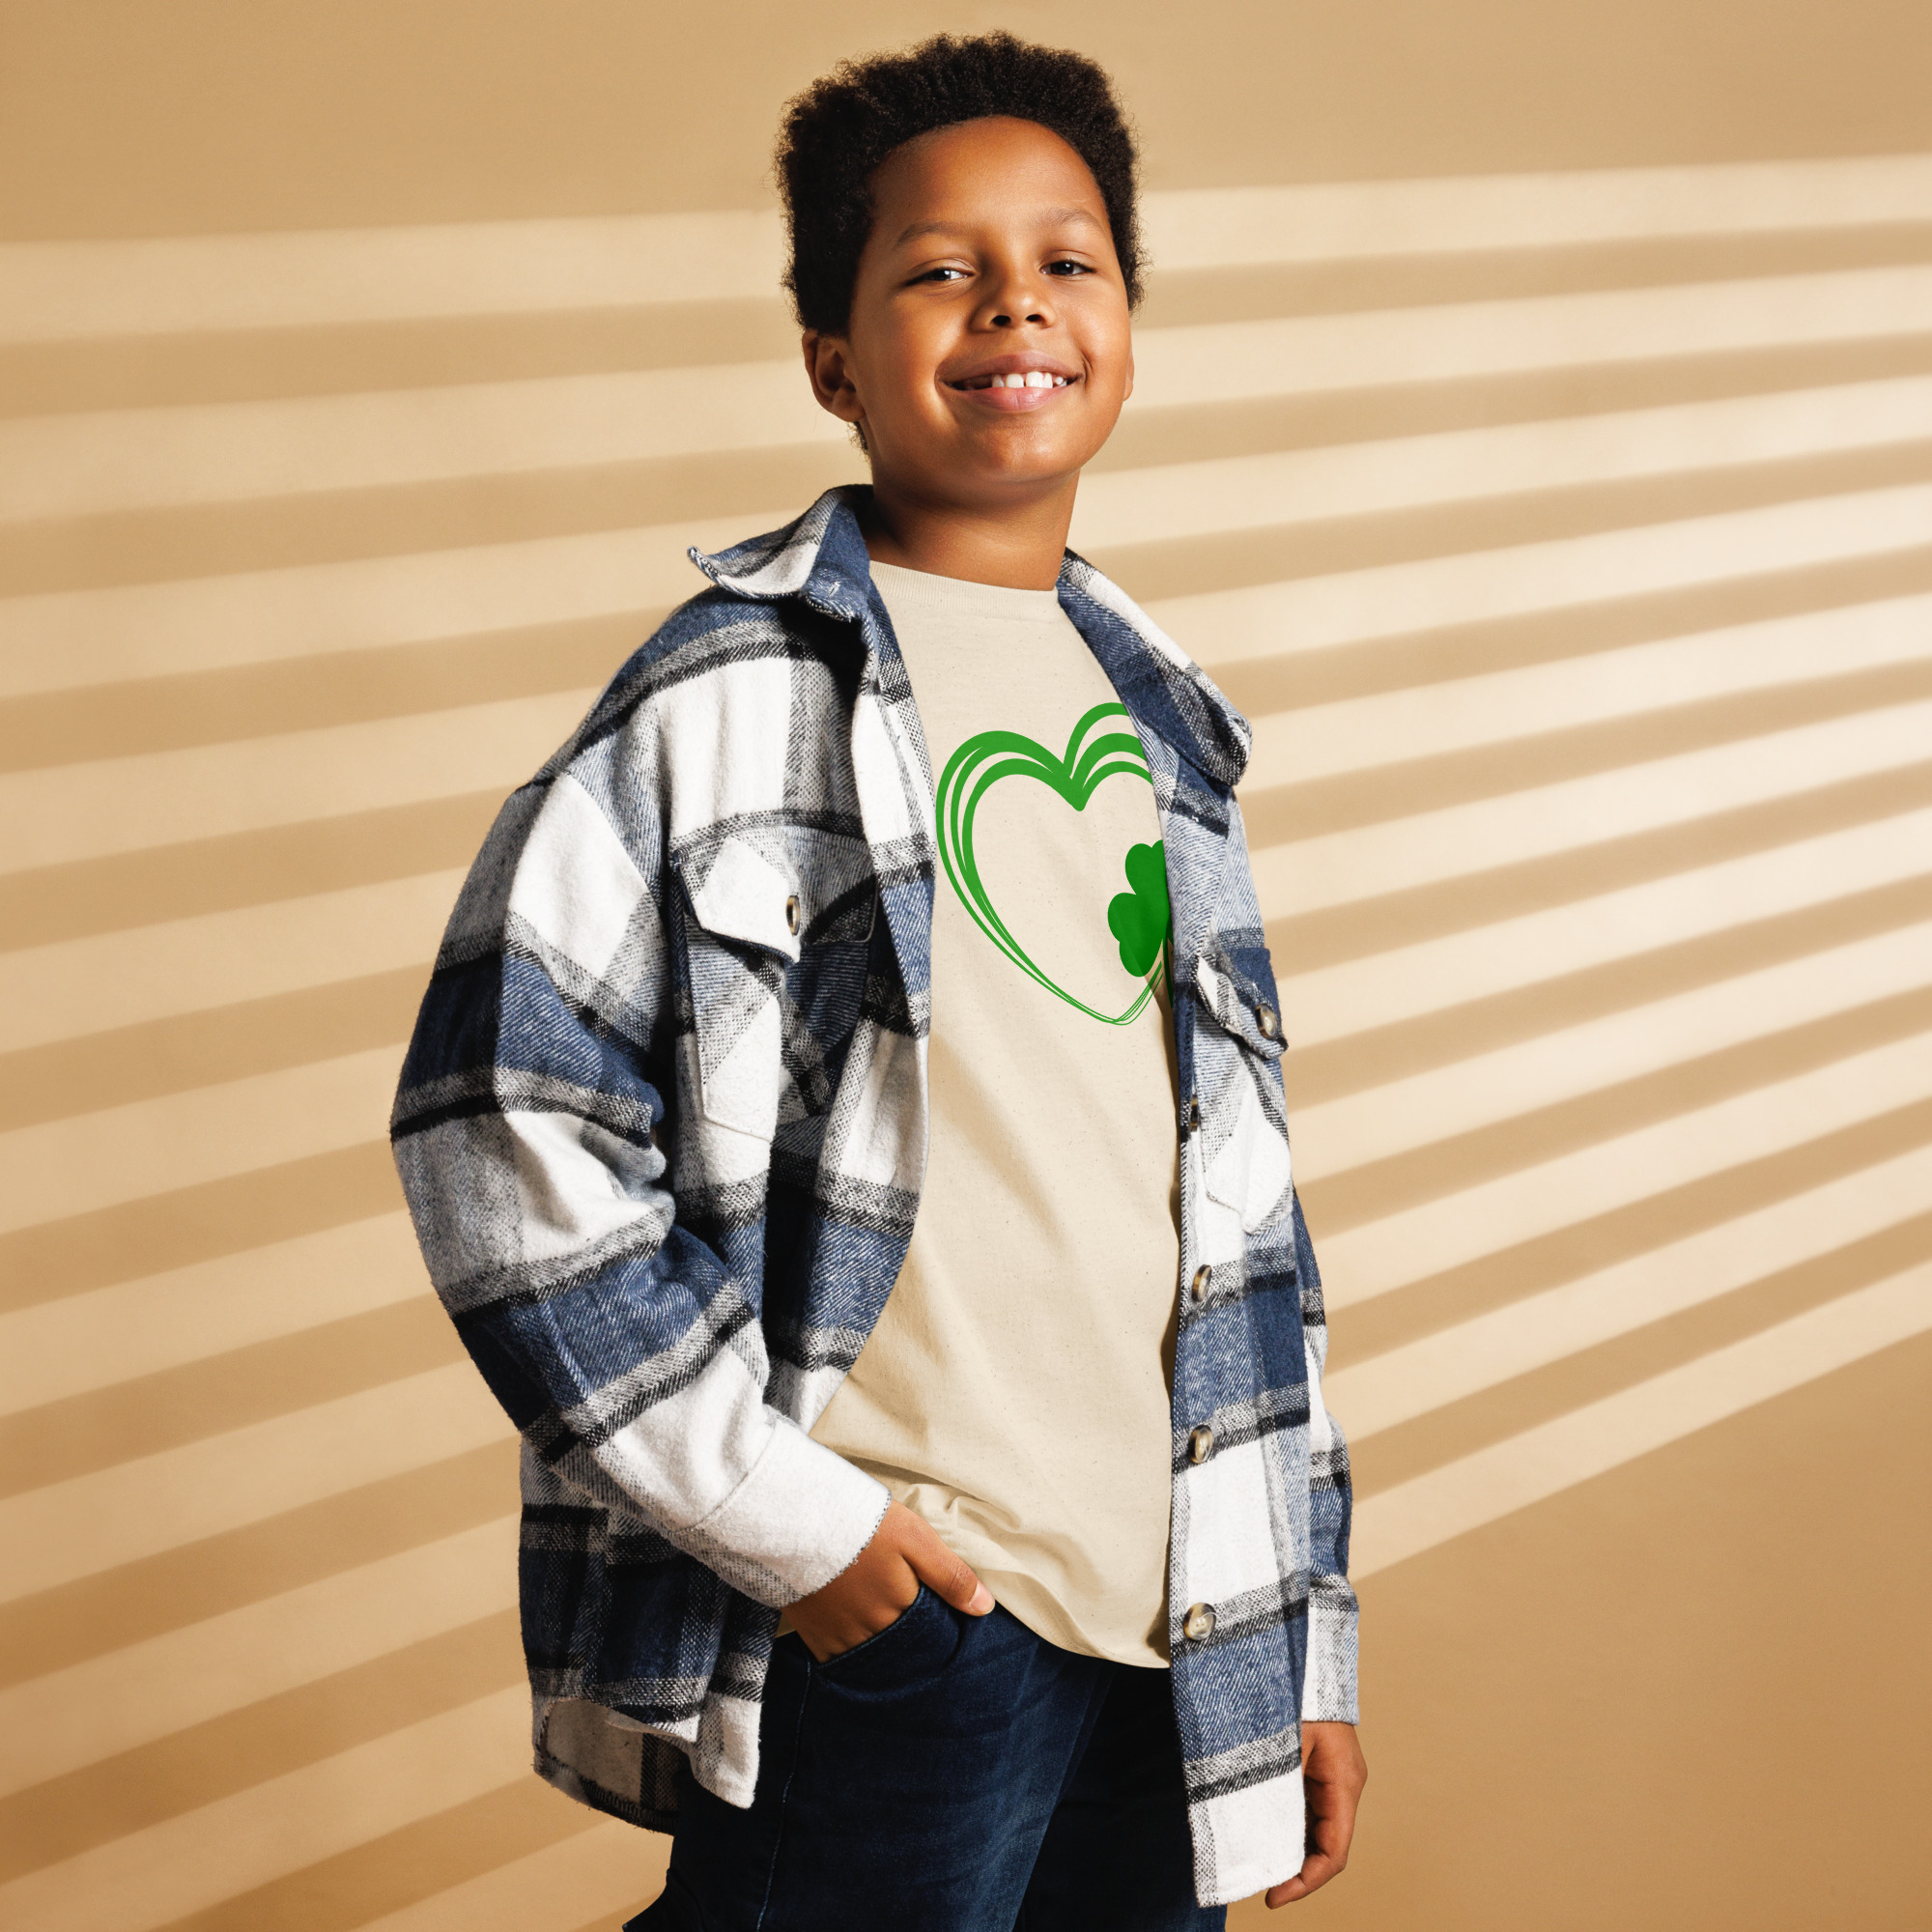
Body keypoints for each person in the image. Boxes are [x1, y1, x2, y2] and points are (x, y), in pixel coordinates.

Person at [389, 31, 1364, 1931]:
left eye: (1066, 259)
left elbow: (1245, 1218)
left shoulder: (1168, 731)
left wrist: (1296, 1633)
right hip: (918, 1607)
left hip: (1168, 1624)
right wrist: (797, 1529)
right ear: (832, 357)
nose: (1014, 302)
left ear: (1126, 321)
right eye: (937, 268)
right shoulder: (733, 691)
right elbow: (495, 1116)